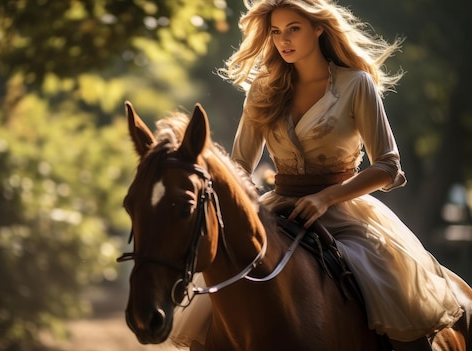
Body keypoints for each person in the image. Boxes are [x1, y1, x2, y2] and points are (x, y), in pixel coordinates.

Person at [170, 0, 465, 350]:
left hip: (343, 211)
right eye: (276, 32)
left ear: (319, 28)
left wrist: (325, 198)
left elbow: (388, 166)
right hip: (278, 210)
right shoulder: (262, 90)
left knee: (398, 302)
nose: (284, 40)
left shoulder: (357, 85)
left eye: (293, 28)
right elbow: (239, 169)